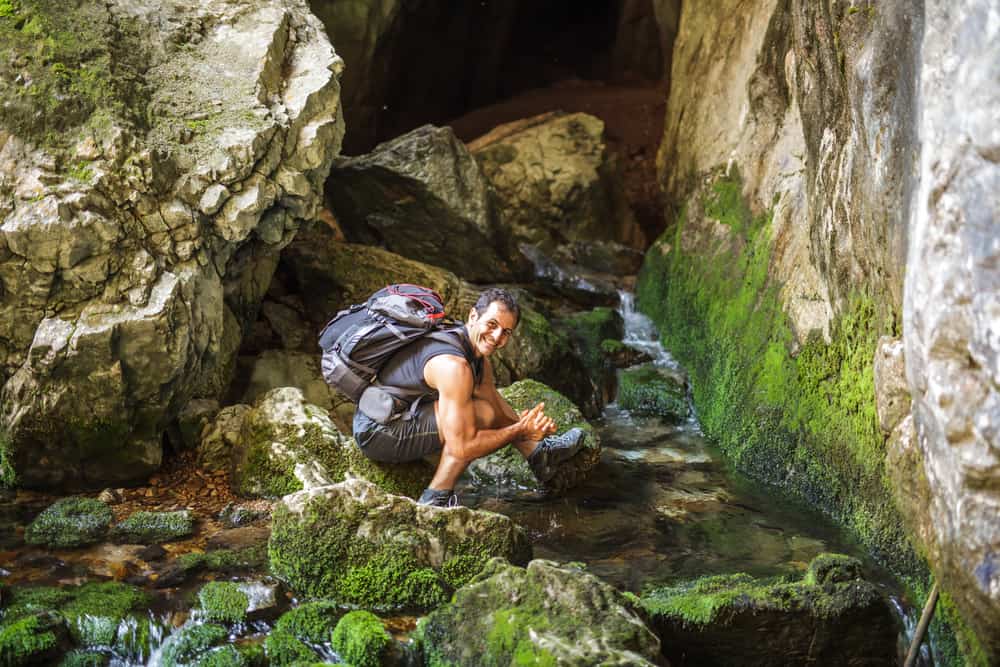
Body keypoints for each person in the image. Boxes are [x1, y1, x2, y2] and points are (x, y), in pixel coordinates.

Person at [352, 287, 585, 507]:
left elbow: (493, 399)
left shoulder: (473, 353)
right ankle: (435, 499)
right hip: (377, 431)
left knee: (487, 407)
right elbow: (462, 447)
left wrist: (531, 433)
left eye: (506, 332)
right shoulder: (455, 367)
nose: (496, 337)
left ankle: (539, 454)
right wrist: (520, 429)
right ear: (473, 315)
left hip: (395, 413)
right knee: (479, 416)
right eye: (492, 324)